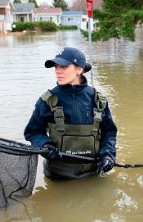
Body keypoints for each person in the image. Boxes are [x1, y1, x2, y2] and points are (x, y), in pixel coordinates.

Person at [24, 47, 117, 179]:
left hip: (93, 174)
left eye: (63, 66)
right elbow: (32, 132)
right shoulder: (47, 100)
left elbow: (109, 132)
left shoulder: (99, 101)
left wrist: (108, 155)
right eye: (56, 66)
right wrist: (45, 145)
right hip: (57, 175)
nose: (57, 71)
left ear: (79, 69)